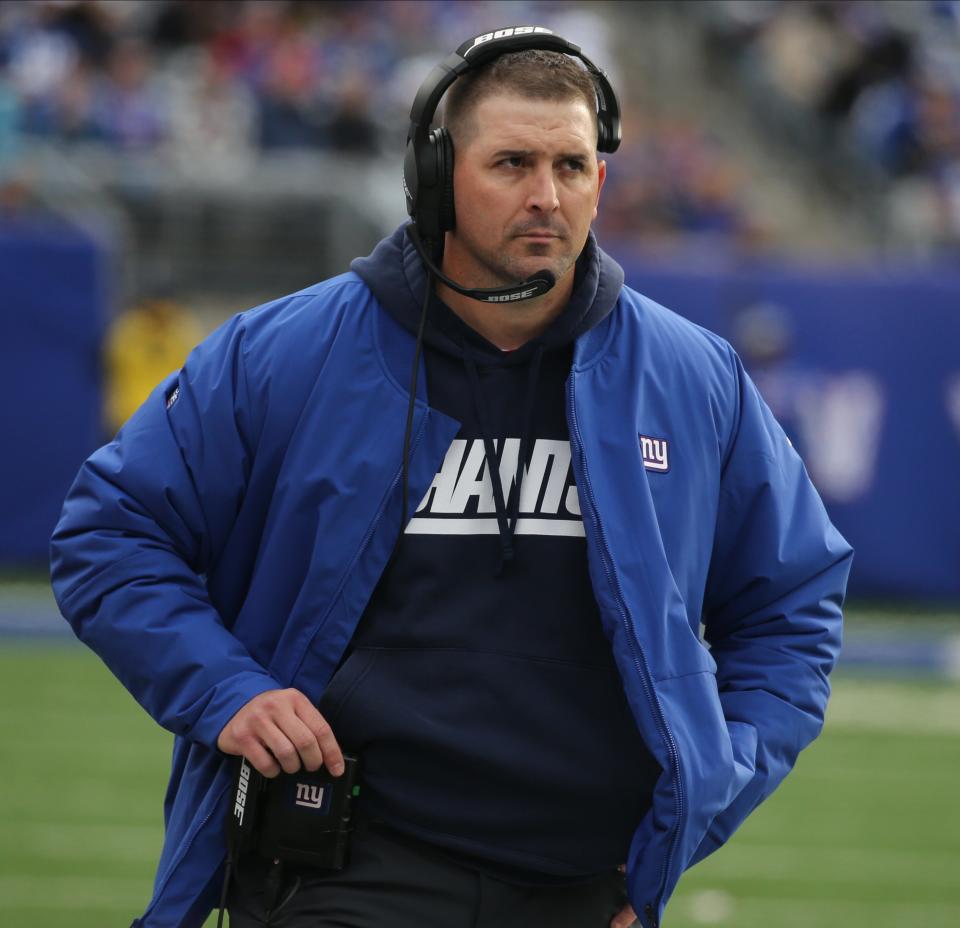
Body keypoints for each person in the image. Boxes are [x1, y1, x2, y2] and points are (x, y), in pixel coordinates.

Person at [50, 27, 852, 928]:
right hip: (342, 871)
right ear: (434, 177)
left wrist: (709, 783)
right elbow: (109, 534)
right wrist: (225, 690)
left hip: (587, 887)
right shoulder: (286, 352)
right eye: (511, 162)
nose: (547, 196)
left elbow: (794, 601)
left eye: (573, 165)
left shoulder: (694, 377)